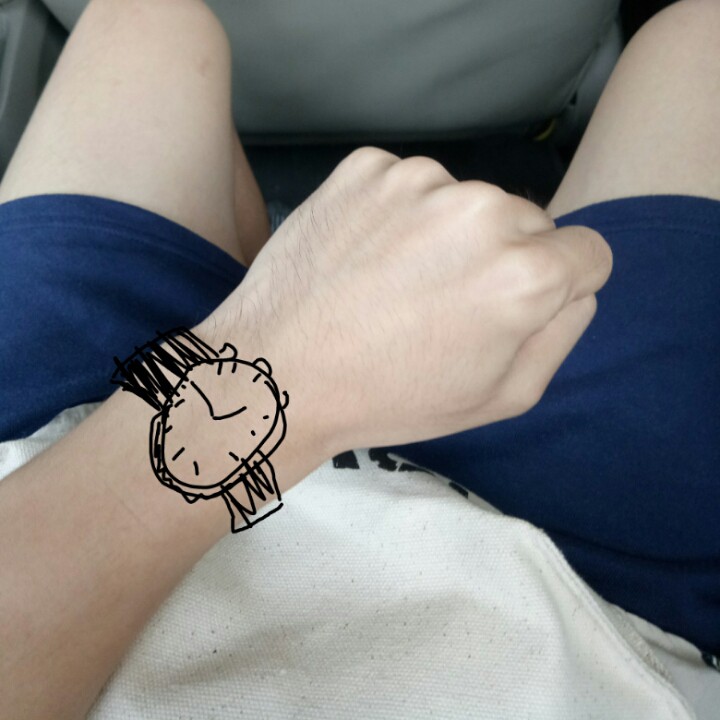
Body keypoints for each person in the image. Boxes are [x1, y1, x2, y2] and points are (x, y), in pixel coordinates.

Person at [0, 0, 716, 718]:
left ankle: (254, 270)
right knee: (699, 39)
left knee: (145, 23)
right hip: (578, 599)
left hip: (62, 472)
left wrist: (281, 332)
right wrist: (296, 365)